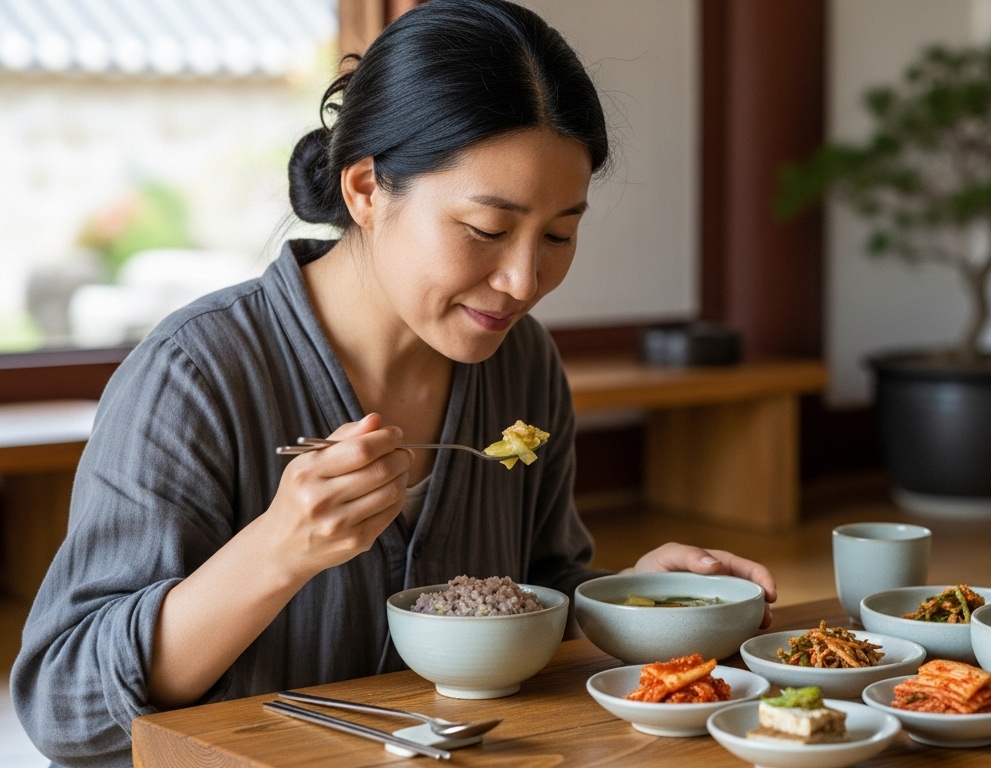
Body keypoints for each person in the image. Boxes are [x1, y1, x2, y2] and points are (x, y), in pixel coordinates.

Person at [11, 2, 775, 765]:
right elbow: (63, 704)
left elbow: (544, 587)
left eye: (558, 235)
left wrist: (632, 602)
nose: (522, 280)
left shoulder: (521, 363)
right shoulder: (194, 375)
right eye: (485, 230)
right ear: (367, 190)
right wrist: (277, 551)